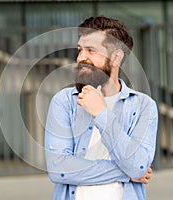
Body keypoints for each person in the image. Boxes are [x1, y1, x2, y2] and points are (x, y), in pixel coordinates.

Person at [45, 16, 158, 200]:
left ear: (116, 57)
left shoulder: (144, 106)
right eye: (80, 50)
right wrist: (126, 173)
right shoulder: (64, 102)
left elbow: (138, 165)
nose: (81, 57)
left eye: (91, 50)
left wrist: (101, 113)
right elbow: (59, 169)